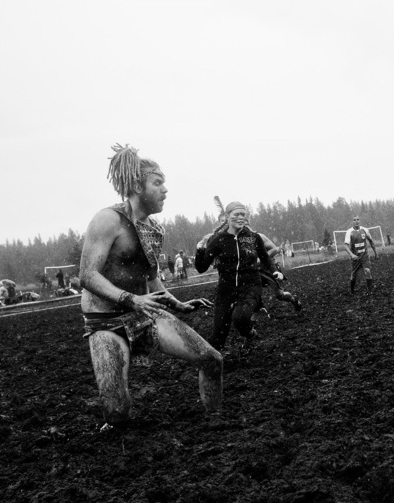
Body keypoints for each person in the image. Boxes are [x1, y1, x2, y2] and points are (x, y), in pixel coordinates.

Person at [80, 143, 221, 429]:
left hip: (144, 314)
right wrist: (131, 299)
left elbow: (151, 276)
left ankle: (217, 425)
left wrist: (176, 302)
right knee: (117, 412)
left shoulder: (154, 229)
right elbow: (87, 275)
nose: (165, 190)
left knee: (212, 359)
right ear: (136, 186)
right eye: (157, 183)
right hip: (106, 322)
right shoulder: (108, 220)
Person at [195, 201, 280, 349]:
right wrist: (199, 250)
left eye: (243, 214)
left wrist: (274, 270)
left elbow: (265, 257)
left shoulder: (253, 237)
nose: (240, 218)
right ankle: (213, 360)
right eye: (236, 214)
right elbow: (201, 268)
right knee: (218, 337)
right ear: (227, 216)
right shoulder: (218, 240)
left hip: (250, 286)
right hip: (226, 289)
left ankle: (250, 334)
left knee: (240, 318)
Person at [343, 214, 378, 294]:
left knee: (367, 271)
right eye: (354, 220)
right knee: (354, 275)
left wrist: (376, 253)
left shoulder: (365, 230)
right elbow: (345, 246)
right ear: (352, 222)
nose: (356, 221)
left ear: (360, 220)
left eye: (358, 219)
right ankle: (352, 291)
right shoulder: (349, 232)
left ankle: (370, 291)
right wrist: (352, 255)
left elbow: (371, 241)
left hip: (365, 256)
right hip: (355, 257)